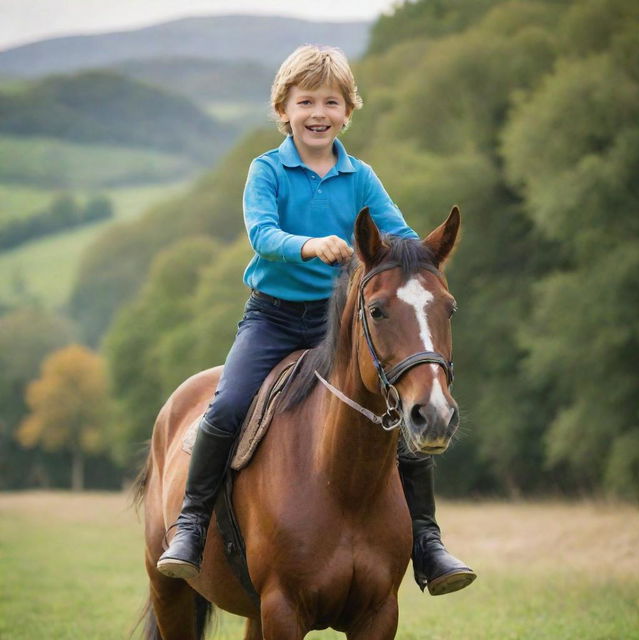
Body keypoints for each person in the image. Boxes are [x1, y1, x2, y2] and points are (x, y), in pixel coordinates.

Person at [156, 44, 475, 596]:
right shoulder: (267, 170)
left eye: (331, 101)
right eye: (306, 102)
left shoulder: (360, 176)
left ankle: (427, 540)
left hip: (345, 327)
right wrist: (308, 246)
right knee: (228, 403)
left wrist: (416, 259)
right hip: (274, 320)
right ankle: (187, 527)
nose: (318, 112)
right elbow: (261, 234)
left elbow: (395, 235)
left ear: (348, 112)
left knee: (397, 411)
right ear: (285, 109)